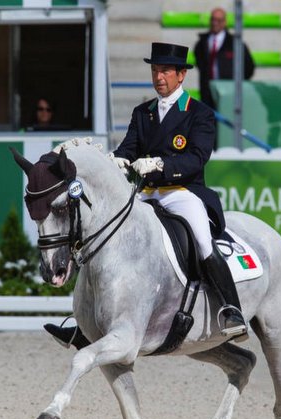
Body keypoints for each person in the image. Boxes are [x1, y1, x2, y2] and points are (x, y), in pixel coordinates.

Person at [113, 43, 246, 341]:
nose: (158, 77)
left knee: (202, 241)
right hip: (146, 193)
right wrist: (118, 159)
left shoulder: (198, 113)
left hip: (181, 191)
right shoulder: (142, 112)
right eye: (155, 71)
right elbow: (127, 148)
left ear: (181, 75)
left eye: (165, 71)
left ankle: (230, 308)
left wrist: (160, 164)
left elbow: (196, 157)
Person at [192, 7, 256, 110]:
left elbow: (249, 67)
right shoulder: (202, 43)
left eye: (219, 20)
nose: (215, 23)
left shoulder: (235, 43)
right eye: (213, 19)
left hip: (228, 93)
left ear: (225, 22)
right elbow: (200, 64)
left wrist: (235, 85)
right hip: (207, 94)